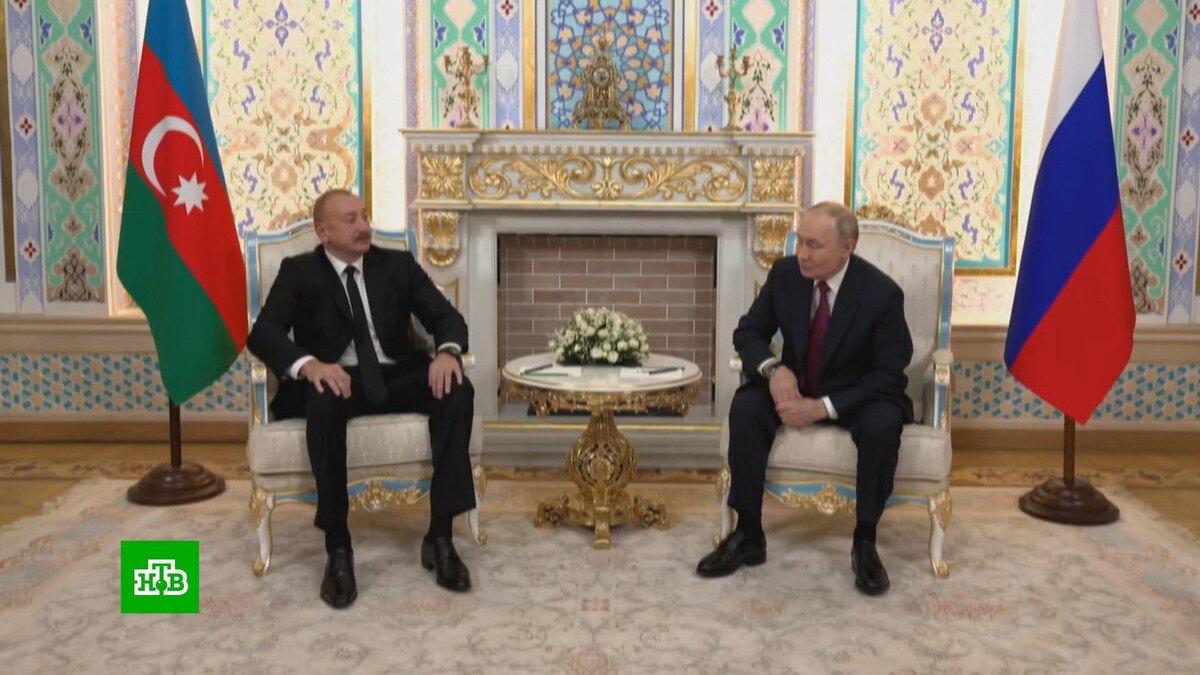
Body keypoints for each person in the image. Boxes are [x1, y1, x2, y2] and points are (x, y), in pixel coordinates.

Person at [247, 189, 477, 608]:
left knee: (457, 387)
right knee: (322, 397)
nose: (364, 227)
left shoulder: (397, 265)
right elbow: (263, 333)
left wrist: (447, 352)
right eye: (351, 220)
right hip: (336, 379)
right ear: (323, 231)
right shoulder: (299, 271)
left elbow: (447, 317)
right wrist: (309, 366)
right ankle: (338, 548)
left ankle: (440, 537)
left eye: (365, 217)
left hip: (394, 374)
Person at [696, 201, 913, 595]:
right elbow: (748, 333)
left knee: (883, 423)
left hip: (857, 394)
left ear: (847, 248)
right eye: (800, 242)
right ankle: (748, 533)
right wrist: (773, 369)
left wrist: (821, 408)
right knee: (746, 406)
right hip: (797, 383)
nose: (802, 254)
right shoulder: (785, 275)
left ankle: (865, 541)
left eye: (815, 245)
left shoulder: (881, 295)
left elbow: (888, 376)